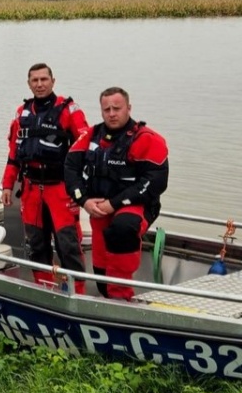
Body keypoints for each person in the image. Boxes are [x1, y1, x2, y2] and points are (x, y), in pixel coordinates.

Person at [64, 87, 169, 300]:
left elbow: (157, 180)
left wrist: (115, 203)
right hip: (99, 208)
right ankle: (108, 297)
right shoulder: (90, 136)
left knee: (123, 229)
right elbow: (70, 168)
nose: (112, 113)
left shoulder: (147, 139)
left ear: (128, 108)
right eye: (107, 109)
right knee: (102, 272)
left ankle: (122, 299)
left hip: (136, 205)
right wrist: (83, 200)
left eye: (117, 108)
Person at [0, 64, 90, 292]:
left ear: (53, 81)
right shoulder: (22, 113)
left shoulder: (69, 110)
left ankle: (77, 292)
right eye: (35, 80)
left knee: (67, 243)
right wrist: (7, 185)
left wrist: (83, 186)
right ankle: (43, 288)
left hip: (60, 189)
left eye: (44, 79)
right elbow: (13, 154)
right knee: (36, 243)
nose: (39, 84)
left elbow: (86, 150)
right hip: (31, 189)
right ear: (29, 84)